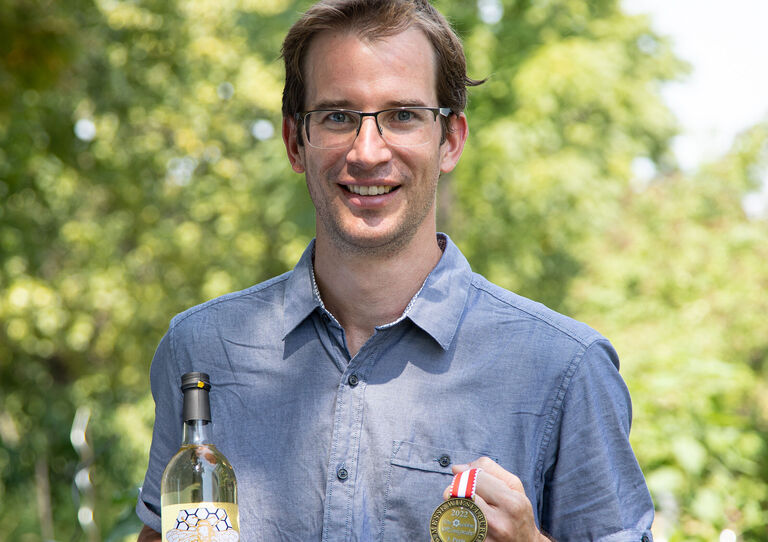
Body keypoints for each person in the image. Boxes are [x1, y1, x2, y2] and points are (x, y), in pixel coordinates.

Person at [136, 1, 655, 540]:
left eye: (403, 116)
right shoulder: (199, 350)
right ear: (295, 143)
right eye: (338, 116)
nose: (367, 152)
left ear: (450, 140)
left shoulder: (566, 369)